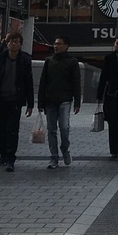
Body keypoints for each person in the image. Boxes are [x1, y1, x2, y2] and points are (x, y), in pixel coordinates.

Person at [0, 31, 33, 172]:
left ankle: (11, 157)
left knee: (12, 130)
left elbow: (29, 83)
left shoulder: (24, 60)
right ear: (7, 43)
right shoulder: (0, 59)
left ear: (20, 44)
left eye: (16, 42)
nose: (13, 44)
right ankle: (2, 155)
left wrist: (30, 104)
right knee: (1, 129)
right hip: (0, 100)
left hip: (15, 101)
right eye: (11, 41)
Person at [37, 34, 82, 169]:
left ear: (66, 46)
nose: (56, 46)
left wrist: (77, 101)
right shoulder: (49, 61)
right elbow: (42, 82)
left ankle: (64, 148)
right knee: (51, 130)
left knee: (64, 127)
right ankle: (54, 157)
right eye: (55, 43)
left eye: (59, 44)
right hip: (50, 101)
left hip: (65, 100)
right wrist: (40, 103)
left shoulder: (72, 62)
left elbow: (76, 82)